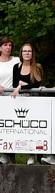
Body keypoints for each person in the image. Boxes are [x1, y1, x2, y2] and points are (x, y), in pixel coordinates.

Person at [10, 43, 47, 165]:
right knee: (23, 129)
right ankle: (28, 155)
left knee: (36, 129)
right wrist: (22, 86)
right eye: (25, 51)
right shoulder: (16, 67)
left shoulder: (37, 67)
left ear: (32, 54)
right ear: (21, 53)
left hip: (35, 101)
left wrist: (22, 85)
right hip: (21, 102)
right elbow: (15, 84)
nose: (27, 53)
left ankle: (39, 157)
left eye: (29, 51)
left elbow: (37, 85)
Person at [0, 36, 20, 165]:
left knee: (11, 128)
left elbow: (24, 75)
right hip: (0, 98)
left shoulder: (17, 60)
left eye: (10, 45)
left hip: (13, 98)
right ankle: (2, 154)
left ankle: (10, 157)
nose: (8, 47)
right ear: (0, 47)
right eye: (5, 45)